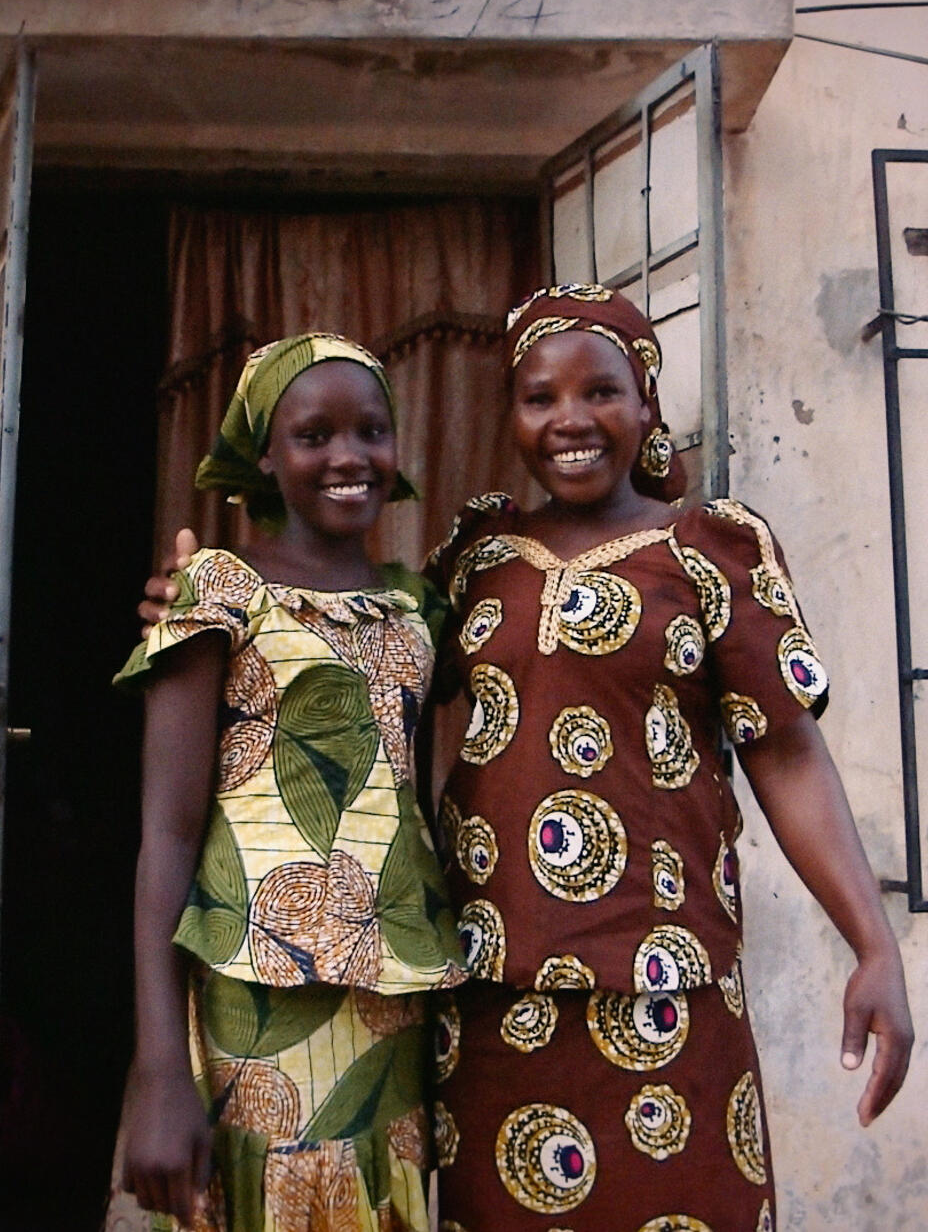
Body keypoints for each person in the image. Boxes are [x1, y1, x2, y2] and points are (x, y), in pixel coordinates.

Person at [142, 288, 913, 1232]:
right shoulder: (478, 555)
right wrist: (199, 615)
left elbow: (788, 755)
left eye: (602, 392)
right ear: (511, 415)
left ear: (647, 404)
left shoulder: (710, 551)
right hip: (490, 1002)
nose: (571, 421)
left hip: (667, 993)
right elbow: (347, 665)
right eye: (539, 397)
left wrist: (873, 944)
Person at [113, 333, 467, 1232]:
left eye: (372, 431)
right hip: (252, 998)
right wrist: (159, 1065)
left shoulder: (418, 606)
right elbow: (166, 831)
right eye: (314, 436)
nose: (349, 456)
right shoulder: (216, 589)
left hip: (393, 1003)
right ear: (265, 454)